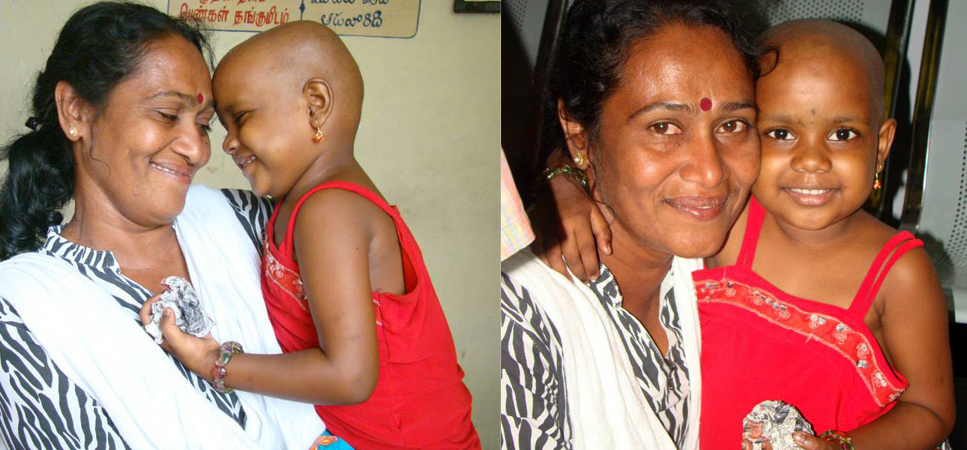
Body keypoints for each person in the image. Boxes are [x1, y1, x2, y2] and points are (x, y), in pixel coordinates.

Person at [540, 19, 955, 450]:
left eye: (842, 134)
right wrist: (562, 183)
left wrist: (846, 446)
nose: (812, 161)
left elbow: (931, 410)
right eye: (781, 133)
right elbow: (592, 143)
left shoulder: (899, 274)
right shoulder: (725, 223)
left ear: (881, 147)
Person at [0, 3, 326, 449]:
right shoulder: (24, 309)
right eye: (166, 115)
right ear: (75, 111)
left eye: (203, 125)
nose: (197, 150)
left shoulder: (245, 220)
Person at [141, 22, 480, 449]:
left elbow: (349, 376)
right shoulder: (300, 205)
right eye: (222, 127)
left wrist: (215, 362)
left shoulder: (329, 211)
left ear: (315, 106)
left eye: (241, 118)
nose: (228, 143)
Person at [499, 0, 763, 448]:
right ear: (579, 133)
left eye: (733, 125)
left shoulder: (725, 267)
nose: (711, 171)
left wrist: (559, 170)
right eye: (663, 127)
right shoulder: (518, 323)